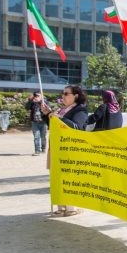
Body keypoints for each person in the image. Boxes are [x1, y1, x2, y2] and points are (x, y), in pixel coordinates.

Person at [49, 85, 89, 217]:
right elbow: (54, 126)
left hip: (71, 150)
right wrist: (47, 115)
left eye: (66, 94)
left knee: (69, 178)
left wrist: (60, 119)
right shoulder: (62, 110)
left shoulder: (80, 110)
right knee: (58, 178)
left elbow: (77, 127)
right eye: (62, 93)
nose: (63, 96)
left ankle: (72, 207)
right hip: (58, 148)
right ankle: (61, 206)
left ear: (75, 95)